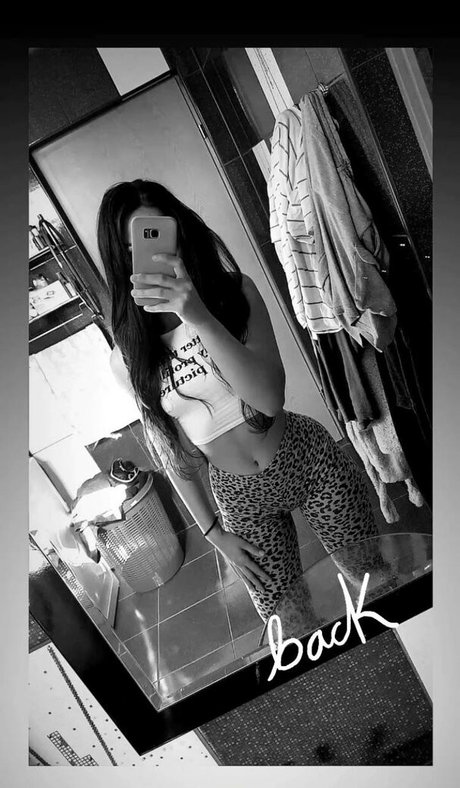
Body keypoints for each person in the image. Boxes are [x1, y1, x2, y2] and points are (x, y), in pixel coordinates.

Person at [98, 179, 378, 623]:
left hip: (306, 458)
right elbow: (172, 449)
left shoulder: (235, 293)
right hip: (239, 498)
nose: (153, 255)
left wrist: (199, 317)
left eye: (160, 235)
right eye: (136, 247)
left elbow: (269, 399)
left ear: (180, 233)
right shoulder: (129, 358)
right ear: (121, 260)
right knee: (287, 620)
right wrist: (212, 532)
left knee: (372, 579)